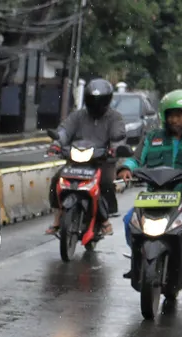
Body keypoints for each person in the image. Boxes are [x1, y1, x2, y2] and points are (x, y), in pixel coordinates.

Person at [117, 89, 182, 282]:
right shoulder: (152, 138)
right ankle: (137, 260)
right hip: (154, 197)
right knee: (130, 221)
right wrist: (126, 169)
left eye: (180, 115)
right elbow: (135, 159)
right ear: (165, 116)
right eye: (171, 115)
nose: (175, 120)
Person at [46, 77, 127, 236]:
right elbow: (64, 131)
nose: (96, 105)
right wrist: (56, 144)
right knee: (57, 180)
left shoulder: (115, 117)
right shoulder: (78, 116)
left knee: (104, 183)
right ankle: (57, 218)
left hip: (102, 161)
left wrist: (115, 149)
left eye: (100, 101)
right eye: (93, 100)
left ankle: (104, 221)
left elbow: (118, 136)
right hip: (76, 161)